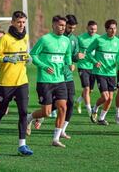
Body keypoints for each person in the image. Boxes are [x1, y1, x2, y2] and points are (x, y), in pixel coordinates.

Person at [0, 11, 33, 156]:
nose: (21, 25)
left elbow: (24, 53)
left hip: (22, 81)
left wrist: (27, 58)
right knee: (0, 112)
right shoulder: (5, 39)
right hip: (6, 82)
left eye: (23, 22)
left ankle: (22, 145)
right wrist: (6, 59)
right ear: (12, 22)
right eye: (19, 22)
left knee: (23, 112)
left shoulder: (25, 37)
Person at [27, 15, 73, 148]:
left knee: (63, 107)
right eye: (60, 25)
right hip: (45, 81)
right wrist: (44, 66)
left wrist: (69, 63)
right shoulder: (45, 39)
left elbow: (68, 54)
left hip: (60, 80)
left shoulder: (66, 40)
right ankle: (30, 118)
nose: (62, 28)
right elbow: (33, 55)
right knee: (46, 112)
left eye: (64, 26)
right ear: (53, 25)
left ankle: (56, 139)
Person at [87, 19, 119, 125]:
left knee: (110, 98)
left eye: (115, 28)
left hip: (111, 73)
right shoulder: (99, 40)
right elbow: (88, 52)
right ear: (106, 29)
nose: (113, 30)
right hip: (100, 72)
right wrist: (94, 61)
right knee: (105, 97)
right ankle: (95, 108)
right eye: (111, 28)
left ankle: (101, 118)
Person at [75, 21, 100, 116]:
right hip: (83, 66)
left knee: (90, 90)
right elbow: (76, 51)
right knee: (86, 88)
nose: (93, 30)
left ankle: (78, 101)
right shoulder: (80, 38)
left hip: (93, 67)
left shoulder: (98, 38)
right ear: (87, 27)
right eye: (91, 28)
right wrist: (77, 55)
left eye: (94, 29)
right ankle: (90, 111)